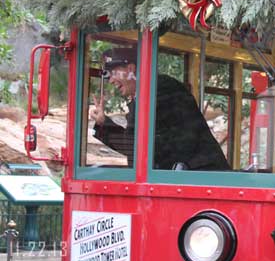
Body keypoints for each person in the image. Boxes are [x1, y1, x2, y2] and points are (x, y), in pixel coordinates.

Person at [89, 47, 230, 171]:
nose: (111, 80)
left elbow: (139, 147)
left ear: (131, 69)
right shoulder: (147, 92)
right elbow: (137, 146)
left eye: (113, 73)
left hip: (201, 178)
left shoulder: (160, 89)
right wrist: (103, 123)